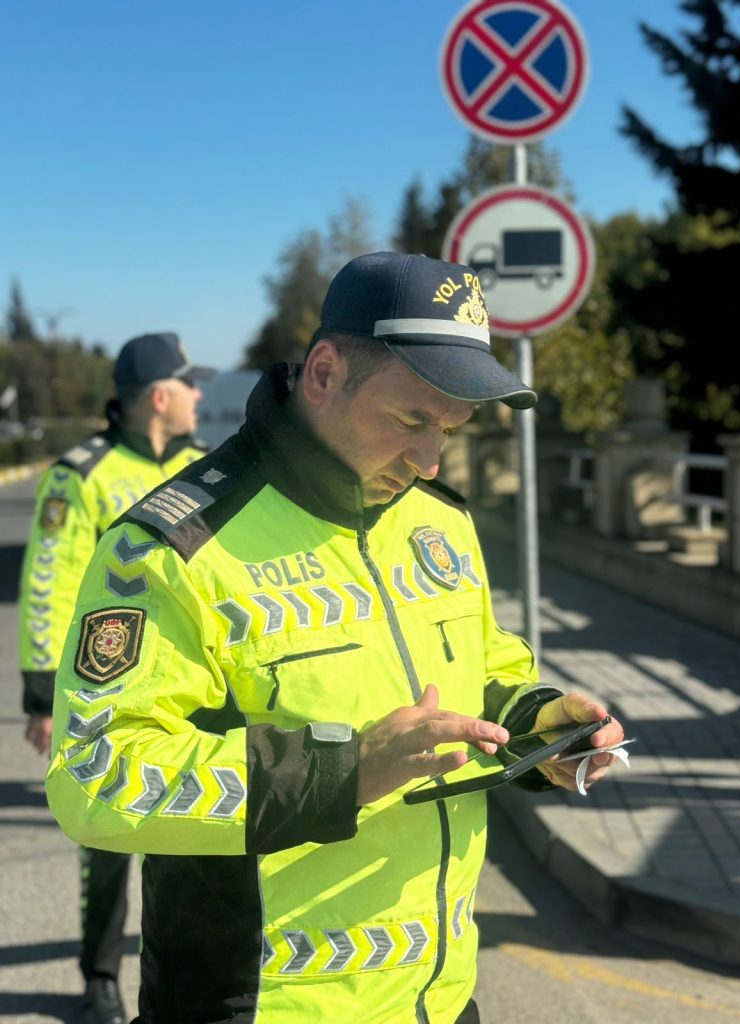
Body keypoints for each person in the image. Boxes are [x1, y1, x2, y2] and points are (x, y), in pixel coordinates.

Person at [45, 253, 624, 1024]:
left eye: (451, 429)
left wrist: (538, 724)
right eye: (411, 420)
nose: (428, 459)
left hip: (441, 1000)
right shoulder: (170, 547)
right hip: (261, 1006)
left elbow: (484, 671)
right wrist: (343, 773)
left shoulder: (441, 521)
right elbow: (94, 774)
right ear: (324, 373)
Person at [20, 332, 215, 1024]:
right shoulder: (80, 475)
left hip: (194, 690)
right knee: (105, 840)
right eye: (190, 384)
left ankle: (184, 985)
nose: (199, 396)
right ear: (160, 397)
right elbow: (48, 583)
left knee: (194, 840)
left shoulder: (208, 469)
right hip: (105, 690)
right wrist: (41, 696)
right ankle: (100, 976)